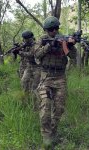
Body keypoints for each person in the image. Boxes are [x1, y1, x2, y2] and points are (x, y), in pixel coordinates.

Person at [34, 16, 76, 149]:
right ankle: (46, 138)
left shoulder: (64, 39)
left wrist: (69, 45)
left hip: (60, 78)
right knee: (45, 107)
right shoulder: (42, 40)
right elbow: (36, 55)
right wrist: (48, 46)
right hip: (46, 78)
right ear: (46, 30)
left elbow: (74, 56)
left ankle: (53, 133)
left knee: (59, 109)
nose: (53, 31)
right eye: (51, 29)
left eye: (56, 28)